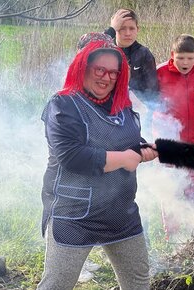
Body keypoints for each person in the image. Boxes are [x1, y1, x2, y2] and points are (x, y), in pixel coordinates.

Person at [37, 40, 158, 290]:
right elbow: (72, 156)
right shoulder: (63, 105)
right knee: (57, 285)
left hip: (120, 212)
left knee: (138, 281)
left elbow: (127, 142)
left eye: (114, 73)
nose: (106, 78)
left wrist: (143, 149)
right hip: (74, 214)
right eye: (100, 70)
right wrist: (124, 159)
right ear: (83, 67)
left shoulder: (123, 107)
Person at [155, 34, 194, 203]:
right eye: (180, 58)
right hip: (171, 145)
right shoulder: (160, 72)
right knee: (170, 196)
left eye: (190, 58)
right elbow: (149, 104)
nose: (185, 63)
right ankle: (171, 230)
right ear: (172, 54)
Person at [105, 8, 158, 103]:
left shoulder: (144, 54)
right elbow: (86, 53)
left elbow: (152, 92)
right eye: (122, 28)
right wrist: (111, 30)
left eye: (131, 28)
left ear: (137, 29)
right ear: (115, 29)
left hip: (136, 109)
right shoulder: (105, 50)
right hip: (105, 107)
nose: (128, 33)